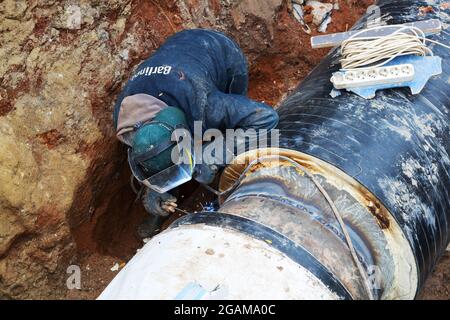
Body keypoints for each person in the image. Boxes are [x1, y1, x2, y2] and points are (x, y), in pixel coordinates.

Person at [113, 29, 278, 236]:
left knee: (228, 132)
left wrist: (211, 156)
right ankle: (164, 208)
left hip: (220, 53)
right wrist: (154, 189)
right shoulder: (125, 120)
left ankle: (223, 174)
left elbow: (266, 118)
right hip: (177, 51)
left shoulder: (207, 105)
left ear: (186, 132)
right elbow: (154, 152)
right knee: (163, 154)